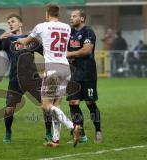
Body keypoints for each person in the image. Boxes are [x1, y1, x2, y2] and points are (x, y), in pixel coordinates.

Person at [18, 4, 80, 147]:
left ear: (47, 14)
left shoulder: (41, 26)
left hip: (52, 69)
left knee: (46, 105)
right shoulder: (67, 27)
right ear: (58, 14)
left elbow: (26, 41)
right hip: (65, 68)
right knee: (56, 106)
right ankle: (55, 140)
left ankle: (72, 127)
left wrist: (19, 40)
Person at [0, 14, 53, 144]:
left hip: (33, 79)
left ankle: (48, 132)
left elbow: (46, 53)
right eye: (8, 22)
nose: (10, 24)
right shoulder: (7, 40)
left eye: (13, 21)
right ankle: (8, 132)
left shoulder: (30, 39)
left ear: (20, 24)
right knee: (9, 109)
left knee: (46, 105)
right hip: (15, 80)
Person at [66, 9, 102, 143]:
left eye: (74, 16)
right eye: (71, 16)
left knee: (90, 102)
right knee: (73, 102)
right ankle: (81, 134)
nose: (71, 18)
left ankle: (98, 130)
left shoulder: (88, 32)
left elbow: (87, 50)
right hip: (73, 73)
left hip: (88, 72)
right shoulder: (69, 32)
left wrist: (69, 54)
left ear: (82, 18)